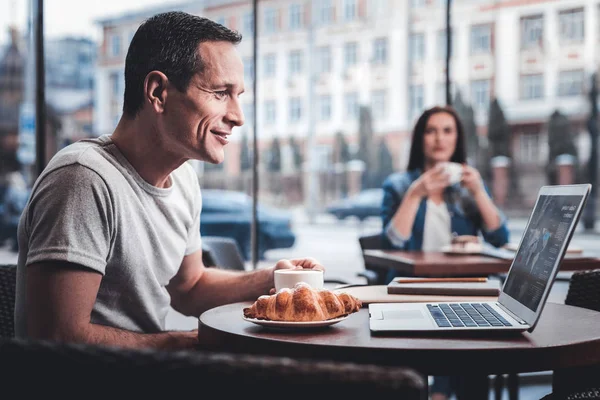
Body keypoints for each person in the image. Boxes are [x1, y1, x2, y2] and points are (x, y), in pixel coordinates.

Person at [14, 11, 324, 350]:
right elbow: (57, 339)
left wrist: (273, 279)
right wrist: (186, 345)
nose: (238, 116)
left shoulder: (184, 178)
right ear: (158, 92)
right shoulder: (83, 179)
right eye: (220, 93)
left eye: (239, 95)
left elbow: (189, 288)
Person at [380, 105, 510, 400]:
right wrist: (416, 193)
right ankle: (440, 391)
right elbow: (392, 244)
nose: (439, 138)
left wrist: (478, 191)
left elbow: (499, 237)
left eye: (447, 130)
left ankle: (441, 391)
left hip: (464, 286)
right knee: (456, 339)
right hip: (412, 287)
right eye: (431, 130)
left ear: (457, 139)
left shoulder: (466, 187)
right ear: (420, 138)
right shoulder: (399, 185)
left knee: (469, 338)